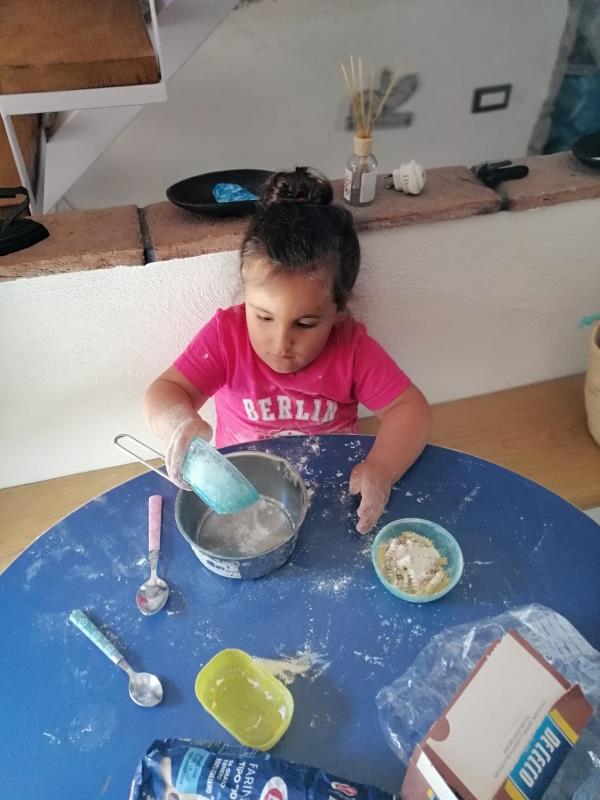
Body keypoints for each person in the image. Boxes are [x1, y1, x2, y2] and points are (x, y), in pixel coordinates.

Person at [143, 167, 431, 533]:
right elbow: (166, 391)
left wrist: (383, 467)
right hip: (242, 489)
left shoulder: (351, 347)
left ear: (338, 313)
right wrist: (179, 424)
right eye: (263, 317)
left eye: (305, 324)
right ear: (246, 296)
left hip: (333, 487)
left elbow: (410, 409)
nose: (280, 344)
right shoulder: (226, 337)